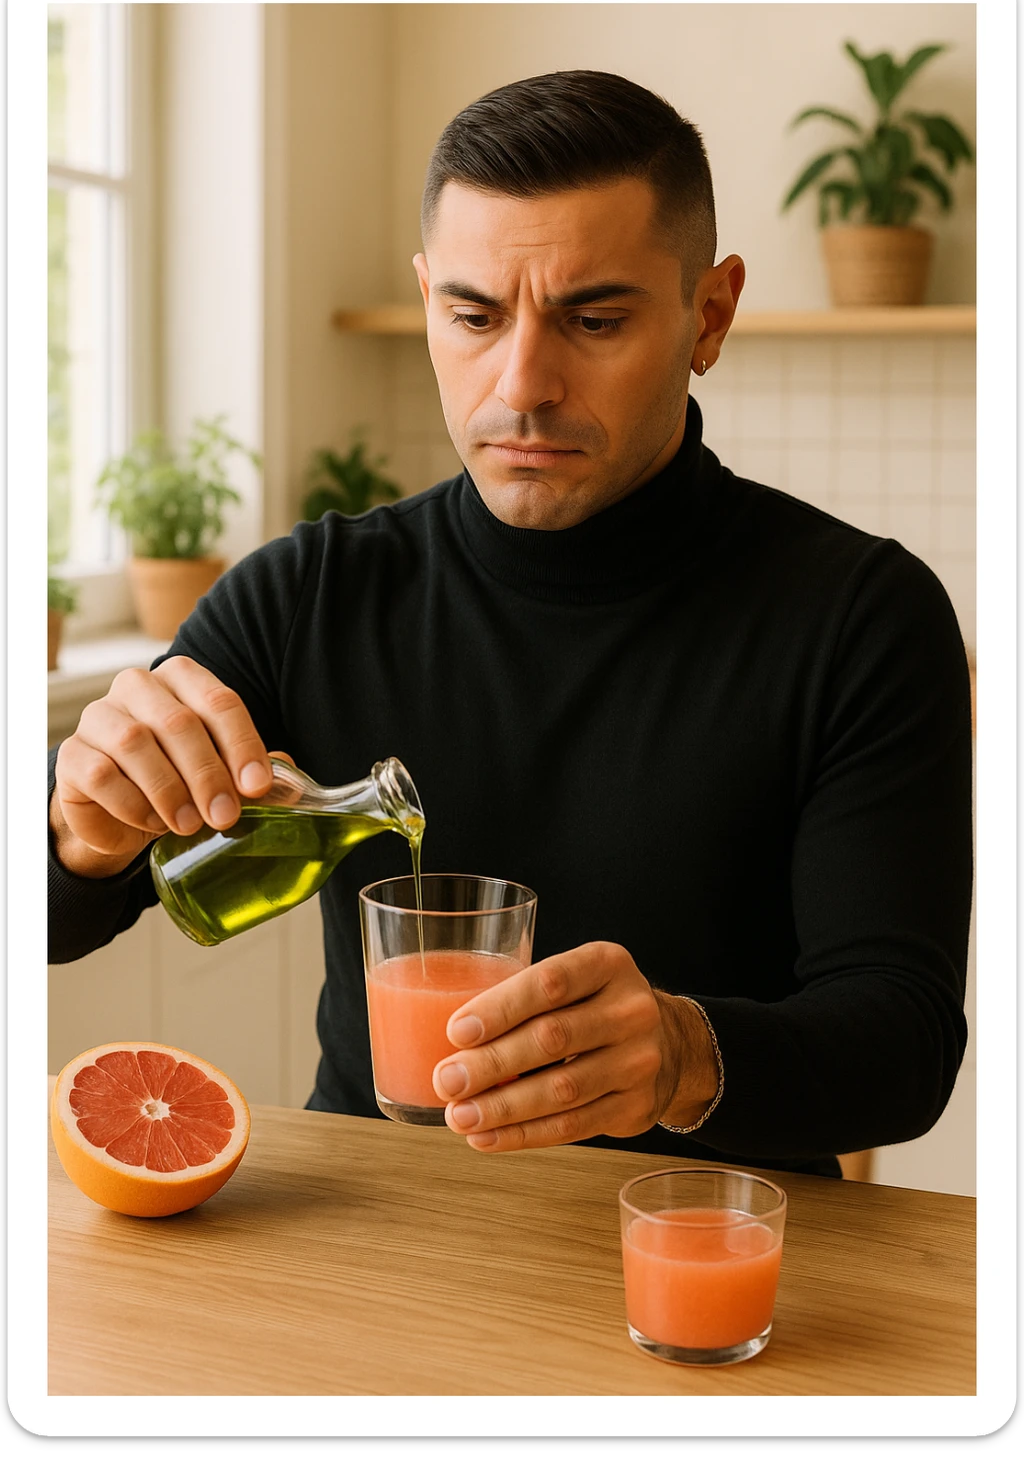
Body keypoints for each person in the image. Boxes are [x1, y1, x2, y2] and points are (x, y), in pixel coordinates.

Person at [48, 70, 973, 1178]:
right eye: (474, 316)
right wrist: (81, 832)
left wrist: (686, 1053)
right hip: (374, 1230)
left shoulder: (860, 617)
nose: (522, 383)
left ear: (708, 316)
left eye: (594, 318)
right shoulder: (311, 592)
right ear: (428, 297)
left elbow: (904, 1048)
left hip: (708, 1246)